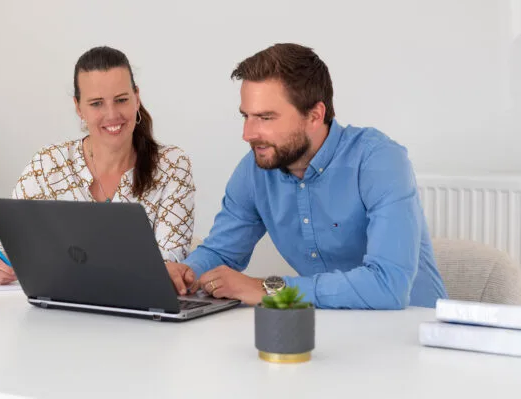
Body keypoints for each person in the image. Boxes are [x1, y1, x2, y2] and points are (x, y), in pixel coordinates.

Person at [166, 43, 447, 309]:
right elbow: (221, 252)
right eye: (246, 116)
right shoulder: (255, 170)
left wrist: (268, 289)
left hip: (413, 330)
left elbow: (388, 286)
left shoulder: (379, 160)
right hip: (326, 329)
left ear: (314, 116)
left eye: (265, 118)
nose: (248, 134)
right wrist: (185, 273)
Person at [0, 46, 195, 285]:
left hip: (138, 304)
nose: (112, 114)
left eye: (121, 100)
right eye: (97, 103)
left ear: (137, 98)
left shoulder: (172, 166)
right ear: (78, 107)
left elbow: (169, 262)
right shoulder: (48, 164)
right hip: (60, 302)